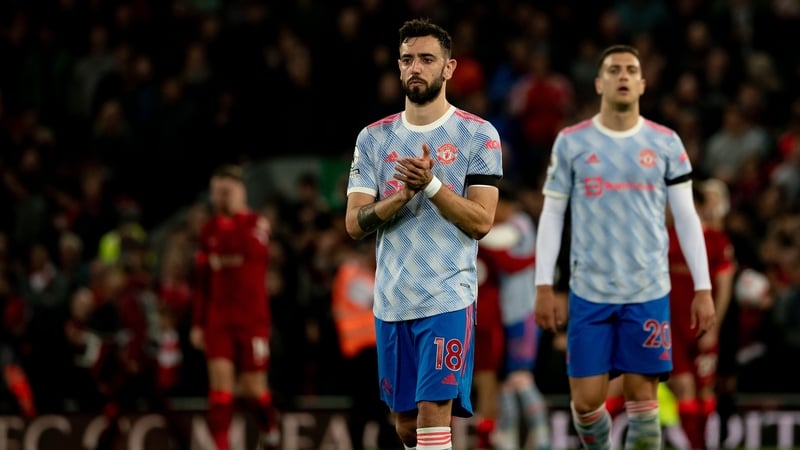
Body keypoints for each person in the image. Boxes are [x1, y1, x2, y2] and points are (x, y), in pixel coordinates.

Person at [533, 44, 716, 450]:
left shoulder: (666, 142)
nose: (622, 75)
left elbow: (687, 218)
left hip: (647, 291)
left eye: (631, 69)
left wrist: (703, 288)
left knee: (643, 402)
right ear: (599, 82)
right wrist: (544, 285)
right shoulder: (572, 142)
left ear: (642, 83)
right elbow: (552, 215)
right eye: (613, 69)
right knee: (586, 405)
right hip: (589, 292)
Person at [344, 17, 503, 450]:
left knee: (435, 413)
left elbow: (482, 221)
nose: (417, 67)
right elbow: (354, 223)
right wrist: (401, 196)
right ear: (398, 68)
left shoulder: (478, 134)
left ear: (449, 68)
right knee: (407, 426)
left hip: (448, 297)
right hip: (392, 300)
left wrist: (431, 186)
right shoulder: (374, 139)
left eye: (427, 59)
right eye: (408, 59)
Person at [190, 164, 280, 450]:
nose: (220, 198)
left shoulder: (256, 223)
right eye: (216, 193)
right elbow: (202, 281)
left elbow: (254, 253)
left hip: (252, 319)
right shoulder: (208, 230)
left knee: (254, 389)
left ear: (240, 192)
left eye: (226, 191)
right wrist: (197, 323)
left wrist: (223, 254)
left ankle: (270, 431)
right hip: (218, 318)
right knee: (220, 389)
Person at [478, 184, 550, 450]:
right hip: (508, 314)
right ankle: (508, 440)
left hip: (524, 312)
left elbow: (506, 259)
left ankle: (543, 439)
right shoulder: (515, 225)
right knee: (507, 382)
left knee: (521, 377)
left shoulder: (519, 225)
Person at [330, 238, 399, 450]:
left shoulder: (363, 273)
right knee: (369, 406)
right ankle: (381, 443)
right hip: (362, 350)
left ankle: (384, 442)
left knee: (374, 405)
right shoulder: (352, 273)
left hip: (370, 350)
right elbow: (379, 300)